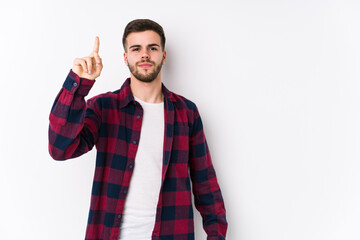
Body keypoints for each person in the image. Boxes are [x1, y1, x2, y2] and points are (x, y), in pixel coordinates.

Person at [48, 19, 227, 240]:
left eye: (152, 48)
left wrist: (216, 235)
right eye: (136, 49)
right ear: (125, 57)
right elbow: (60, 148)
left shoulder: (186, 113)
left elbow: (205, 184)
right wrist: (79, 83)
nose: (145, 55)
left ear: (163, 55)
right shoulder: (104, 108)